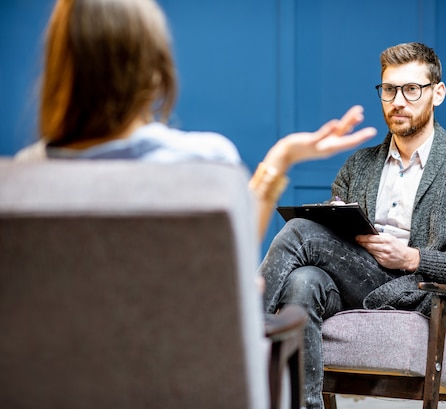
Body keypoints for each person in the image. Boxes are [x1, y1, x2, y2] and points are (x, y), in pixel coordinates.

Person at [260, 42, 446, 409]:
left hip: (411, 291)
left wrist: (412, 257)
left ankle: (239, 333)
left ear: (437, 93)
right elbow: (332, 245)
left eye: (411, 89)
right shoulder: (360, 164)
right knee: (303, 280)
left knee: (301, 231)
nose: (398, 101)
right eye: (389, 89)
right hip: (352, 284)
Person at [14, 0, 377, 240]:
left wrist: (282, 154)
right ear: (154, 70)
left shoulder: (24, 177)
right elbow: (231, 267)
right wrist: (281, 158)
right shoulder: (205, 161)